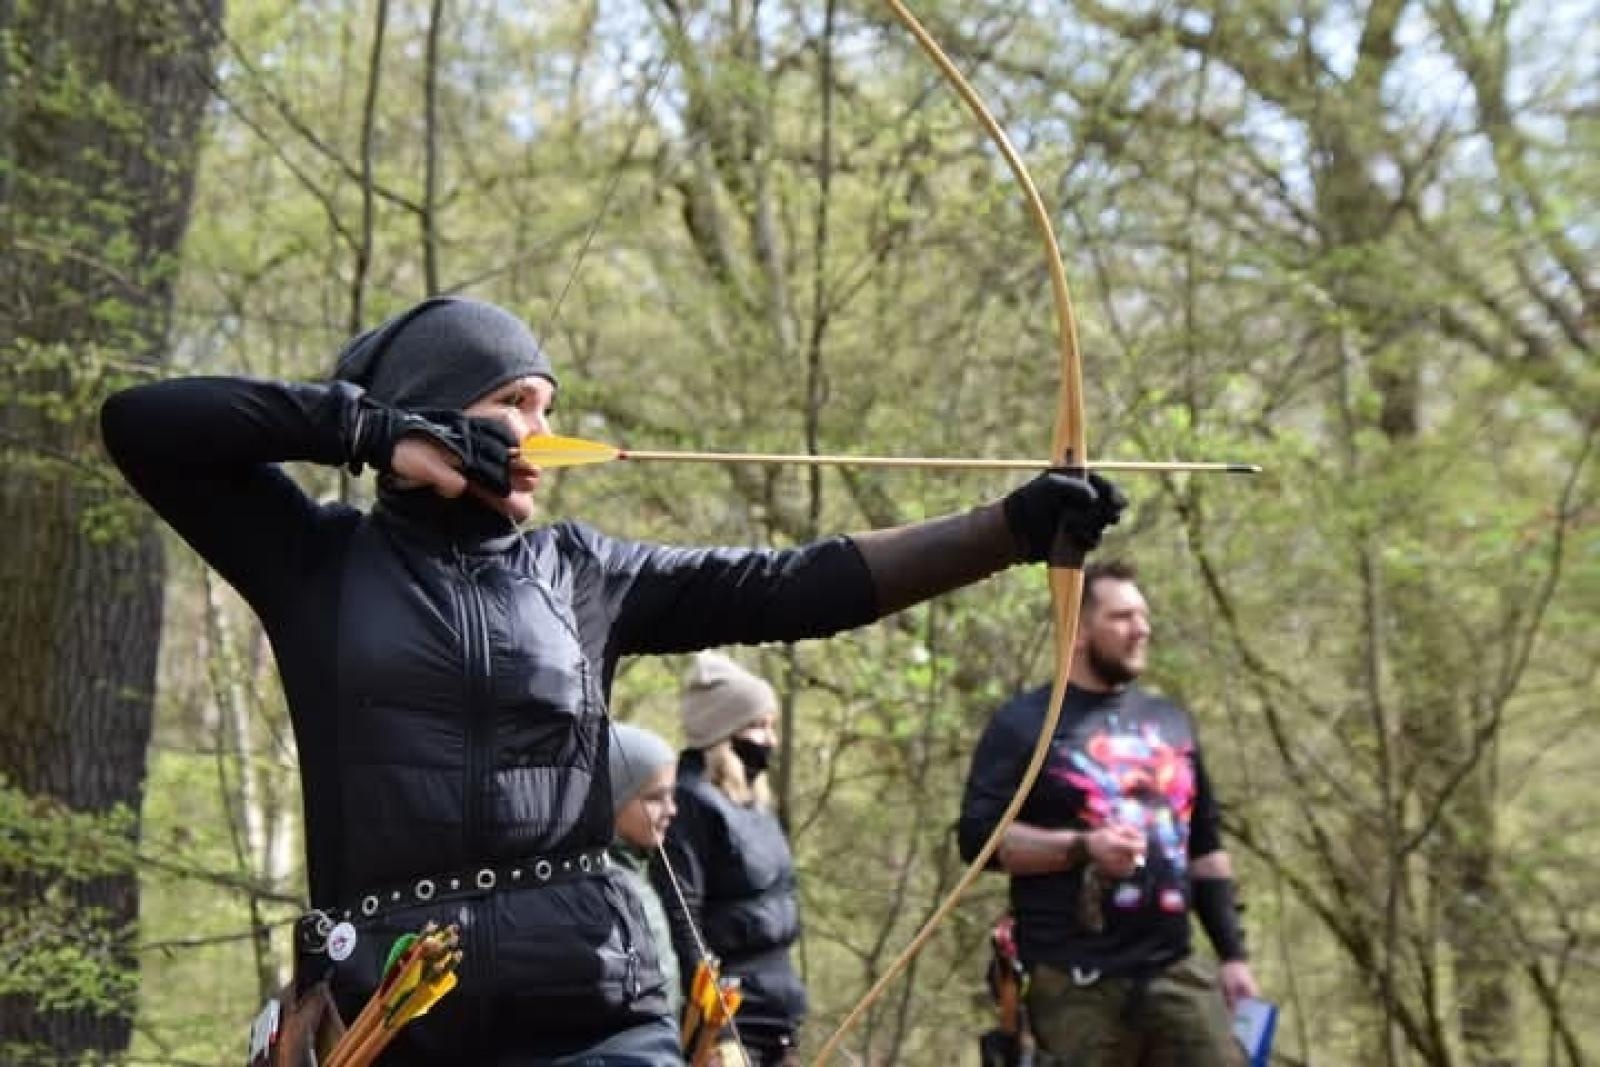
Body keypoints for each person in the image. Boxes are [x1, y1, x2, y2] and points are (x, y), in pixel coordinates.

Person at [99, 294, 1125, 1065]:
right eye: (514, 405)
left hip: (596, 990)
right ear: (433, 418)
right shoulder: (314, 563)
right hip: (395, 1001)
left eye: (550, 407)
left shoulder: (584, 572)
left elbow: (792, 586)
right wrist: (364, 426)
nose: (543, 435)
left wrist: (1008, 531)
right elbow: (144, 423)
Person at [958, 559, 1258, 1066]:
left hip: (1173, 969)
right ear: (1077, 629)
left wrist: (1232, 955)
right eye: (1122, 617)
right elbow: (978, 841)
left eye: (1142, 615)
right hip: (1074, 979)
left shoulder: (1170, 722)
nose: (1141, 629)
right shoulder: (1025, 724)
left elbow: (1205, 850)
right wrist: (1082, 847)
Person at [651, 653, 798, 1066]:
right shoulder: (689, 803)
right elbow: (683, 914)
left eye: (772, 726)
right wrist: (712, 1022)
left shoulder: (754, 801)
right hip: (731, 1020)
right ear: (722, 731)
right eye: (756, 726)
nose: (769, 739)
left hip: (777, 1013)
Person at [609, 724, 684, 1020]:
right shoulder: (605, 887)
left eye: (671, 796)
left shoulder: (636, 868)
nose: (672, 809)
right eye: (655, 798)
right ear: (611, 799)